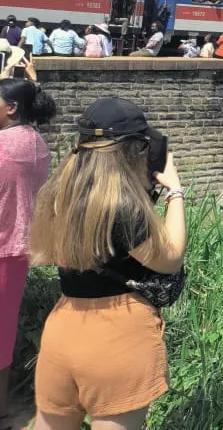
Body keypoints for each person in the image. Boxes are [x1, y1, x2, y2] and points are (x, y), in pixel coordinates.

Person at [29, 97, 186, 430]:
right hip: (117, 336)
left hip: (63, 329)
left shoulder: (61, 193)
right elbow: (169, 259)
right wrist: (174, 193)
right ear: (135, 150)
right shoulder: (124, 207)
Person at [0, 64, 55, 426]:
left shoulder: (4, 147)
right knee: (4, 331)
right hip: (18, 250)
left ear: (11, 108)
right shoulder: (37, 143)